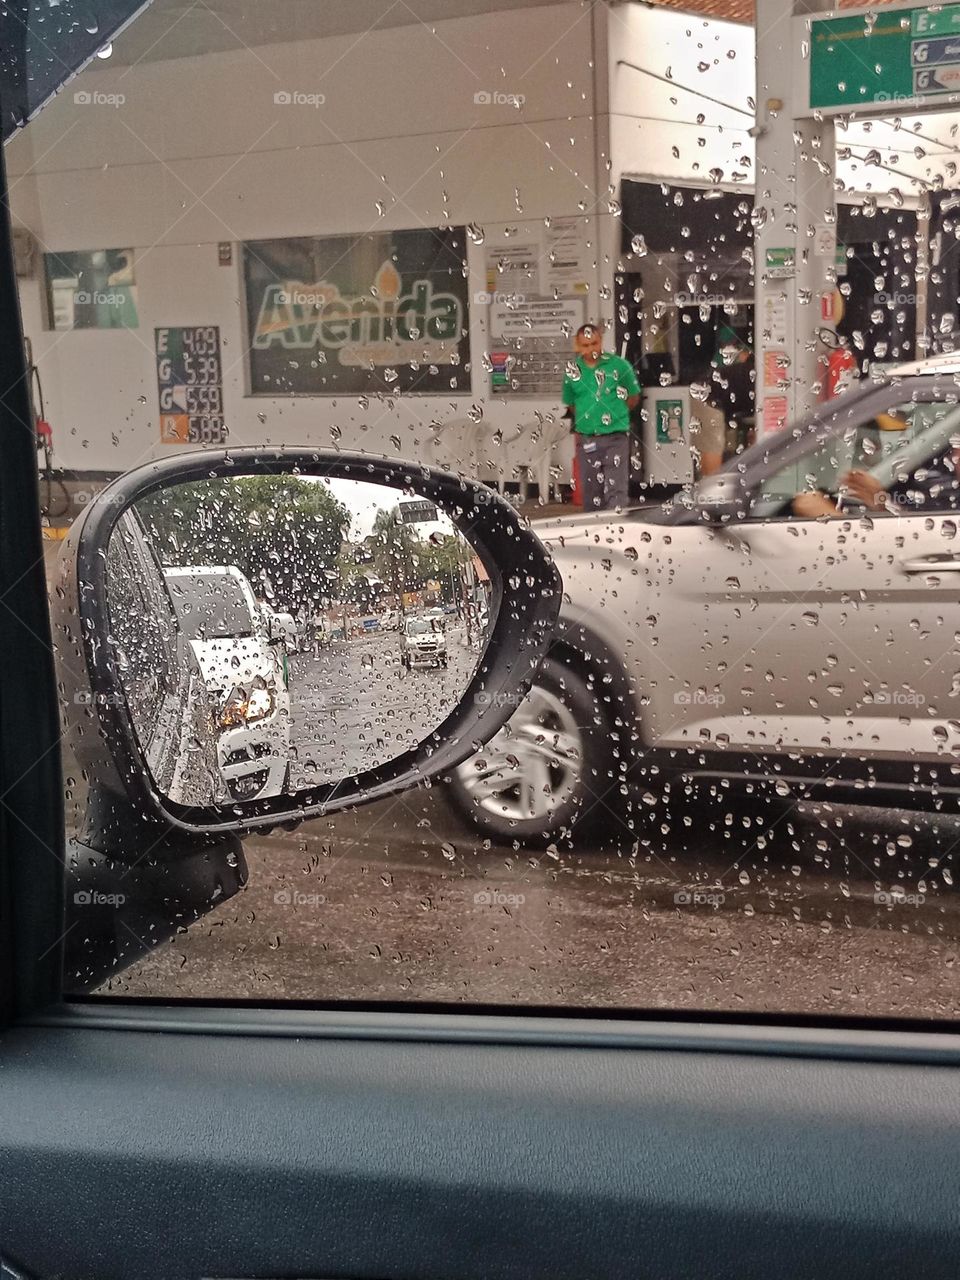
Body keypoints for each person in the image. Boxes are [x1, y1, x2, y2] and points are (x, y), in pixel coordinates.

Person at [562, 323, 641, 511]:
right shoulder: (572, 371)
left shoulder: (619, 366)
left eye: (594, 344)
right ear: (578, 346)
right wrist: (590, 418)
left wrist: (616, 414)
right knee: (591, 493)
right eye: (586, 345)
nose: (591, 349)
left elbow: (633, 397)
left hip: (616, 437)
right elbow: (572, 404)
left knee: (617, 491)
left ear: (601, 342)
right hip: (587, 438)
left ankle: (617, 533)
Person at [792, 438, 960, 518]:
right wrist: (881, 501)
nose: (955, 454)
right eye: (955, 447)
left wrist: (832, 518)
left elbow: (924, 543)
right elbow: (916, 526)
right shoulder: (947, 491)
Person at [691, 328, 755, 478]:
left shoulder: (751, 367)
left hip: (719, 397)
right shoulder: (754, 375)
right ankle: (710, 493)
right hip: (707, 397)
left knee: (721, 443)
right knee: (714, 445)